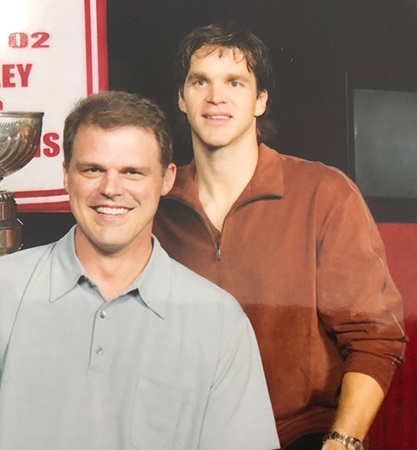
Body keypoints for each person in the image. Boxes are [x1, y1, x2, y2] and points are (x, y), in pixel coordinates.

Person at [0, 91, 280, 450]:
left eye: (133, 172)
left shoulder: (218, 320)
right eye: (93, 169)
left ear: (166, 179)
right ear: (66, 174)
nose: (111, 189)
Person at [154, 22, 407, 450]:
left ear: (260, 100)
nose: (216, 96)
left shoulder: (324, 192)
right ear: (182, 98)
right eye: (201, 81)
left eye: (235, 82)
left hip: (297, 436)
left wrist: (342, 443)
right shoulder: (155, 202)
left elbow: (375, 338)